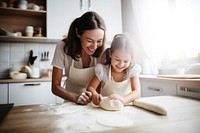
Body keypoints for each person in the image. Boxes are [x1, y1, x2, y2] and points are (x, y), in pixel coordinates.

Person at [51, 11, 106, 105]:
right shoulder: (63, 47)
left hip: (94, 103)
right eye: (89, 40)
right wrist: (76, 97)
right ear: (78, 33)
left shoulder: (103, 51)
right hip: (70, 102)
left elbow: (101, 84)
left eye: (99, 41)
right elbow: (55, 87)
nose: (95, 46)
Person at [87, 34, 141, 106]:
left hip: (126, 108)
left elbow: (137, 92)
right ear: (110, 54)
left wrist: (123, 100)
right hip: (106, 109)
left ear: (131, 59)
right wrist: (94, 94)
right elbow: (90, 88)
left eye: (126, 61)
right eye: (117, 59)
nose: (121, 65)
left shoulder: (132, 70)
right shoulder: (103, 70)